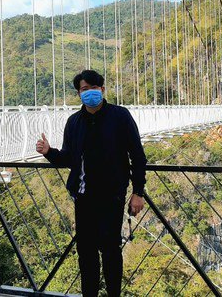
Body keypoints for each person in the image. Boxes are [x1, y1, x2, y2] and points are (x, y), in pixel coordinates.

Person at [35, 70, 147, 297]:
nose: (90, 93)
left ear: (103, 90)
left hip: (112, 197)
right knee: (85, 252)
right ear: (79, 93)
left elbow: (137, 155)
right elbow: (69, 158)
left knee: (110, 251)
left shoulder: (120, 116)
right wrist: (49, 152)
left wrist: (138, 192)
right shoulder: (74, 122)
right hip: (83, 198)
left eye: (94, 88)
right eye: (85, 89)